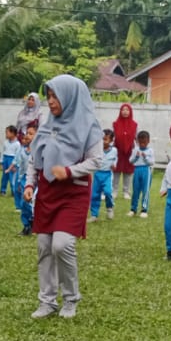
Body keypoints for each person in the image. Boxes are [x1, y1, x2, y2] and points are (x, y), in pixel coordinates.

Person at [24, 75, 103, 319]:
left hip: (73, 193)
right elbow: (35, 157)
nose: (51, 101)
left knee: (62, 244)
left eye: (55, 96)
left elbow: (96, 161)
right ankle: (47, 301)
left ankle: (71, 299)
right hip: (48, 192)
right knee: (44, 246)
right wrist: (30, 183)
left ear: (70, 96)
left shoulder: (89, 125)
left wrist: (69, 171)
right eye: (48, 96)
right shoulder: (48, 124)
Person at [88, 129, 117, 222]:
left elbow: (115, 162)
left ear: (111, 141)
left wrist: (114, 166)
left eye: (105, 139)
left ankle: (109, 207)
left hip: (107, 174)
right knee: (94, 195)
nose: (103, 141)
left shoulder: (114, 150)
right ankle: (94, 215)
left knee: (108, 192)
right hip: (97, 174)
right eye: (101, 139)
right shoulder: (97, 149)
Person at [15, 125, 37, 236]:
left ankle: (35, 223)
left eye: (31, 133)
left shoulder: (39, 151)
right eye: (27, 133)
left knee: (33, 202)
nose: (27, 135)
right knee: (23, 203)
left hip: (35, 180)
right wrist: (19, 181)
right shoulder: (23, 151)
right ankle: (26, 226)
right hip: (24, 178)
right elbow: (21, 167)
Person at [113, 103, 138, 198]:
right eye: (123, 110)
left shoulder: (134, 124)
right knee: (116, 171)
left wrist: (137, 150)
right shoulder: (115, 124)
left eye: (127, 110)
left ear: (130, 112)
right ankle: (114, 191)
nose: (125, 112)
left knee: (128, 172)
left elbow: (136, 138)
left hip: (129, 152)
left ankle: (126, 192)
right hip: (117, 151)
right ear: (120, 111)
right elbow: (112, 137)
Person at [128, 131, 153, 218]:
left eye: (144, 142)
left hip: (146, 170)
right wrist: (136, 157)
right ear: (137, 141)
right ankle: (133, 209)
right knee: (135, 190)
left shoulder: (150, 150)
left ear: (148, 141)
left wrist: (145, 157)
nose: (142, 144)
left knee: (145, 191)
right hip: (137, 170)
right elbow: (130, 161)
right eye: (140, 142)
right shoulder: (135, 150)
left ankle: (144, 210)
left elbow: (151, 162)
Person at [0, 126, 21, 196]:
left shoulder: (17, 144)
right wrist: (1, 163)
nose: (6, 134)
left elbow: (18, 156)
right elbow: (2, 152)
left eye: (7, 133)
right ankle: (3, 190)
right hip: (5, 159)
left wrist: (16, 165)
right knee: (4, 177)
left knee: (13, 178)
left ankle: (13, 191)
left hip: (12, 161)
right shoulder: (5, 142)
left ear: (13, 133)